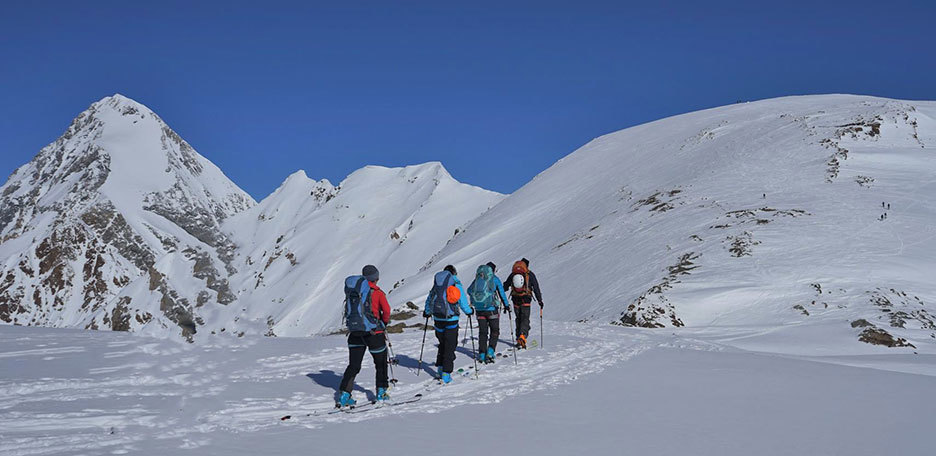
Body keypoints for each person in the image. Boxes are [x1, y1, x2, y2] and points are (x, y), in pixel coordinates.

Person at [338, 264, 391, 407]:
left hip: (355, 333)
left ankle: (344, 395)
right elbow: (386, 311)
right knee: (380, 363)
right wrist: (384, 324)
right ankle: (381, 392)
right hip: (374, 334)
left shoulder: (354, 291)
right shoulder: (378, 293)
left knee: (354, 365)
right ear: (376, 278)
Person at [423, 264, 473, 383]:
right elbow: (462, 301)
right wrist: (469, 311)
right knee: (450, 346)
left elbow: (430, 299)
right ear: (453, 273)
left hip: (438, 319)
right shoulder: (455, 285)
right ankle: (446, 373)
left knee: (442, 344)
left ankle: (440, 368)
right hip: (451, 320)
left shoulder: (437, 285)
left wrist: (427, 312)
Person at [467, 262, 509, 363]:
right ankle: (490, 351)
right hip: (491, 309)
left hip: (479, 310)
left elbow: (469, 290)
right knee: (494, 331)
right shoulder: (495, 279)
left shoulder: (478, 279)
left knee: (483, 332)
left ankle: (481, 354)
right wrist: (506, 305)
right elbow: (502, 293)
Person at [503, 258, 543, 349]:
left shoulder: (513, 274)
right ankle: (522, 336)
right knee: (525, 318)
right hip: (526, 298)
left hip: (515, 298)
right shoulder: (529, 274)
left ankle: (518, 337)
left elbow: (506, 285)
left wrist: (503, 289)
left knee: (519, 318)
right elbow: (536, 287)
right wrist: (540, 300)